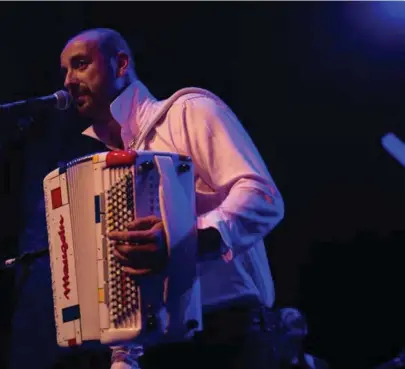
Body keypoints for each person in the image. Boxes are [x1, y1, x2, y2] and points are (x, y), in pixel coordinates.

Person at [59, 27, 285, 369]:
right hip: (159, 352)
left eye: (79, 64)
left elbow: (262, 198)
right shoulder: (105, 168)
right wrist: (123, 357)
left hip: (231, 339)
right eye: (64, 71)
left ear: (120, 65)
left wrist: (184, 242)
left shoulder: (189, 111)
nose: (68, 81)